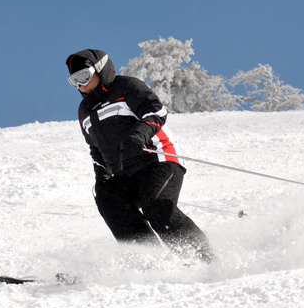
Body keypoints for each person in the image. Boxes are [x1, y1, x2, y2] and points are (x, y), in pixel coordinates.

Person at [65, 49, 213, 262]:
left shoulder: (127, 87)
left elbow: (156, 111)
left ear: (99, 70)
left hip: (158, 160)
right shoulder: (84, 111)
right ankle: (149, 259)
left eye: (84, 77)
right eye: (74, 81)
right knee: (108, 198)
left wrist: (138, 136)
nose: (81, 85)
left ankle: (203, 258)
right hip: (125, 174)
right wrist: (102, 179)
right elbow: (96, 150)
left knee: (155, 207)